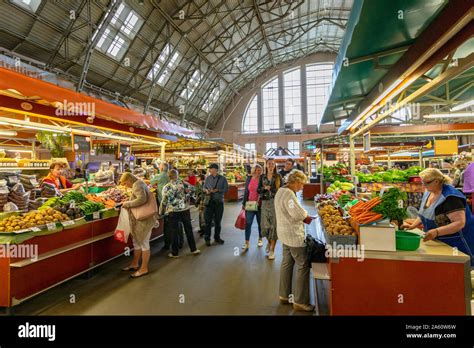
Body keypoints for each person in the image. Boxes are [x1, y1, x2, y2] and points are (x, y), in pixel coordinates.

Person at [401, 168, 474, 266]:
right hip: (439, 241)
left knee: (461, 270)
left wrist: (436, 232)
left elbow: (459, 223)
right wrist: (413, 225)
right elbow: (424, 213)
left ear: (436, 181)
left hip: (457, 242)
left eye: (426, 183)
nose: (423, 186)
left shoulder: (451, 197)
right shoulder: (429, 192)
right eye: (422, 182)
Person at [275, 169, 315, 312]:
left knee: (287, 263)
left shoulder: (281, 190)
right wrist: (308, 216)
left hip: (283, 234)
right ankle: (300, 301)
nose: (302, 187)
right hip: (293, 235)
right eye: (302, 184)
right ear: (296, 182)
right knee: (303, 265)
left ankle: (284, 295)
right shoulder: (289, 195)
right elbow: (297, 214)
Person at [119, 172, 158, 278]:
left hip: (145, 220)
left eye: (125, 183)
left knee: (144, 243)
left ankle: (144, 268)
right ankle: (135, 264)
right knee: (137, 241)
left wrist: (128, 203)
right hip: (142, 219)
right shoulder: (139, 183)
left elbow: (142, 199)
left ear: (129, 180)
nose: (126, 186)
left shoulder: (137, 185)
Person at [159, 170, 200, 258]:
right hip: (185, 209)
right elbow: (194, 190)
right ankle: (194, 249)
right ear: (177, 176)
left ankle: (175, 253)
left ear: (169, 177)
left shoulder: (167, 187)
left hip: (173, 211)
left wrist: (161, 212)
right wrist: (187, 194)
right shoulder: (184, 184)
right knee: (188, 229)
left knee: (174, 231)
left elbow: (164, 200)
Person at [258, 158, 282, 260]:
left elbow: (282, 189)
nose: (271, 165)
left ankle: (272, 250)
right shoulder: (262, 177)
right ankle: (269, 243)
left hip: (275, 203)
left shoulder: (278, 176)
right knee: (265, 226)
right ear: (266, 165)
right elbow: (258, 189)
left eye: (273, 164)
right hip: (264, 203)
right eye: (269, 164)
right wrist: (264, 188)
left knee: (273, 226)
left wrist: (271, 189)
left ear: (275, 165)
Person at [203, 163, 229, 246]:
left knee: (218, 222)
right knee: (208, 222)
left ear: (214, 169)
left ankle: (217, 238)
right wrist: (206, 190)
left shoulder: (223, 179)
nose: (209, 170)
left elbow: (226, 189)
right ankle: (207, 239)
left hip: (218, 203)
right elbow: (204, 188)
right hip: (209, 203)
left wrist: (217, 190)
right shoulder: (207, 178)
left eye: (210, 168)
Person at [241, 164, 263, 252]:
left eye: (260, 170)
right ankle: (247, 242)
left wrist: (260, 199)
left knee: (260, 223)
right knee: (248, 223)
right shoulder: (249, 178)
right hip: (250, 204)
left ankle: (260, 239)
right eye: (257, 170)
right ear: (254, 170)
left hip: (259, 205)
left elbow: (263, 191)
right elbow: (246, 191)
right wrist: (243, 203)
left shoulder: (262, 179)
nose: (259, 172)